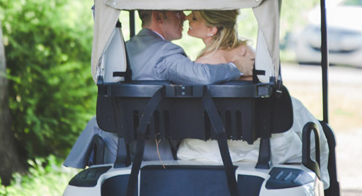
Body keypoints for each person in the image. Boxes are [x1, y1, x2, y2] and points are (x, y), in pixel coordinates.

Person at [64, 9, 254, 168]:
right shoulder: (165, 53)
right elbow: (201, 76)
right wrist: (236, 68)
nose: (184, 16)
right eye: (177, 13)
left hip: (118, 140)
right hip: (154, 148)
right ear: (158, 17)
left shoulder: (123, 50)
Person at [177, 9, 330, 188]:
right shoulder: (246, 51)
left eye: (194, 17)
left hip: (223, 134)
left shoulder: (204, 65)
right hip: (254, 130)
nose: (187, 18)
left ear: (212, 30)